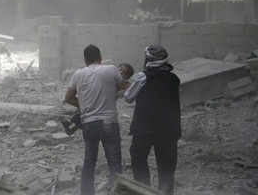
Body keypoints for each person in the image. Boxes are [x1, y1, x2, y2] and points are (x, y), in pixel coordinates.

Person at [64, 44, 128, 195]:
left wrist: (86, 104)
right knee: (114, 162)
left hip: (88, 124)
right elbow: (122, 88)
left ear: (85, 59)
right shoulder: (112, 69)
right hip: (109, 122)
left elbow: (68, 98)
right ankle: (113, 189)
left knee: (89, 162)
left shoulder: (77, 74)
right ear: (100, 57)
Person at [124, 45, 181, 195]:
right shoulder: (174, 78)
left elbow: (128, 97)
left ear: (148, 59)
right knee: (166, 167)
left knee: (138, 156)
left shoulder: (143, 76)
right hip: (169, 129)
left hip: (145, 127)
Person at [61, 63, 134, 136]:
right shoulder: (108, 75)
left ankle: (71, 123)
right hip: (95, 101)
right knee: (84, 112)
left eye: (124, 73)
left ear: (127, 77)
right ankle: (71, 124)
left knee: (85, 112)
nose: (120, 72)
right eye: (120, 69)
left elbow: (123, 93)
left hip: (105, 106)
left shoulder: (123, 84)